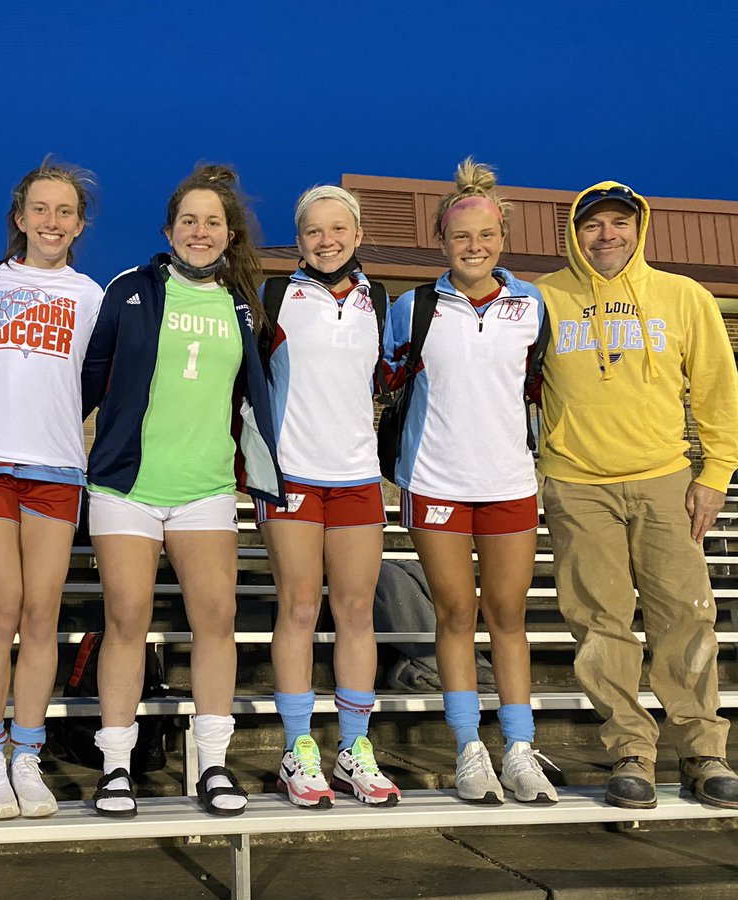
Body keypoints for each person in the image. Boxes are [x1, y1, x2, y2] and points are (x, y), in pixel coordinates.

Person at [82, 164, 284, 818]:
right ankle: (116, 766)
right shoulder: (130, 289)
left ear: (230, 234)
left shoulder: (240, 304)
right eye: (189, 221)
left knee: (216, 619)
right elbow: (87, 380)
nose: (200, 232)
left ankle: (214, 765)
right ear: (169, 229)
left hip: (205, 486)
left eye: (213, 222)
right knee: (127, 617)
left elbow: (252, 399)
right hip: (127, 483)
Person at [537, 181, 738, 810]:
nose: (607, 236)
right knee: (599, 623)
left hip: (664, 479)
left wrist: (715, 475)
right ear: (574, 231)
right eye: (593, 225)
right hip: (576, 481)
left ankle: (703, 750)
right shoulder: (543, 298)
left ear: (639, 228)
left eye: (619, 223)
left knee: (686, 613)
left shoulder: (684, 297)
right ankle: (630, 749)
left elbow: (716, 389)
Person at [384, 159, 558, 805]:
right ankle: (469, 748)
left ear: (502, 239)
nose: (474, 247)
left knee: (508, 617)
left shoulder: (532, 305)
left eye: (485, 235)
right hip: (436, 482)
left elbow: (540, 388)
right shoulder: (413, 308)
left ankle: (518, 747)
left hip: (510, 481)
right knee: (455, 614)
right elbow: (389, 380)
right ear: (442, 242)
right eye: (462, 238)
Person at [0, 161, 104, 820]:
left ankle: (26, 755)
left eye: (64, 211)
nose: (51, 222)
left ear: (80, 224)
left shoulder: (92, 296)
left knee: (42, 614)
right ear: (19, 218)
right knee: (2, 607)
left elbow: (91, 383)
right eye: (40, 209)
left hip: (56, 467)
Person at [256, 186, 400, 808]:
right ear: (300, 238)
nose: (327, 240)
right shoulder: (272, 296)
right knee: (297, 608)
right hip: (291, 475)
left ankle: (354, 748)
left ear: (357, 233)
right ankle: (297, 748)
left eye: (338, 228)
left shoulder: (381, 300)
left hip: (356, 477)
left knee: (356, 612)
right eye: (313, 230)